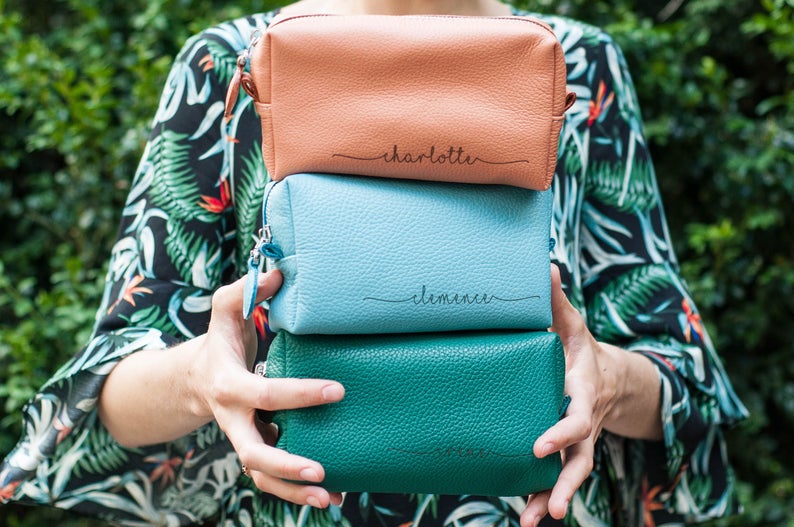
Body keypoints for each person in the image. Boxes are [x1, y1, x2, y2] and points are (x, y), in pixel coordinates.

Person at [0, 0, 748, 525]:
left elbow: (680, 375)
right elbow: (105, 394)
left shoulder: (580, 68)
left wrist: (606, 380)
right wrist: (202, 376)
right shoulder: (228, 65)